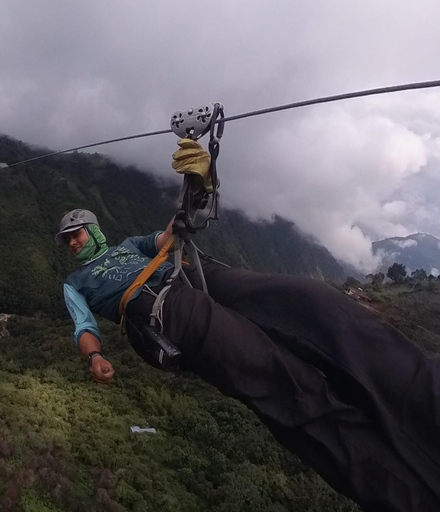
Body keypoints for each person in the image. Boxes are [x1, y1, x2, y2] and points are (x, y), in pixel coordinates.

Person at [56, 143, 440, 512]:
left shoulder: (127, 245)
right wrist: (95, 356)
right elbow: (83, 325)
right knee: (283, 381)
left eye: (78, 234)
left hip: (191, 273)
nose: (73, 243)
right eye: (68, 240)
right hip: (163, 312)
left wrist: (194, 194)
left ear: (95, 230)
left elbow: (169, 237)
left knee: (318, 306)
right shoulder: (76, 283)